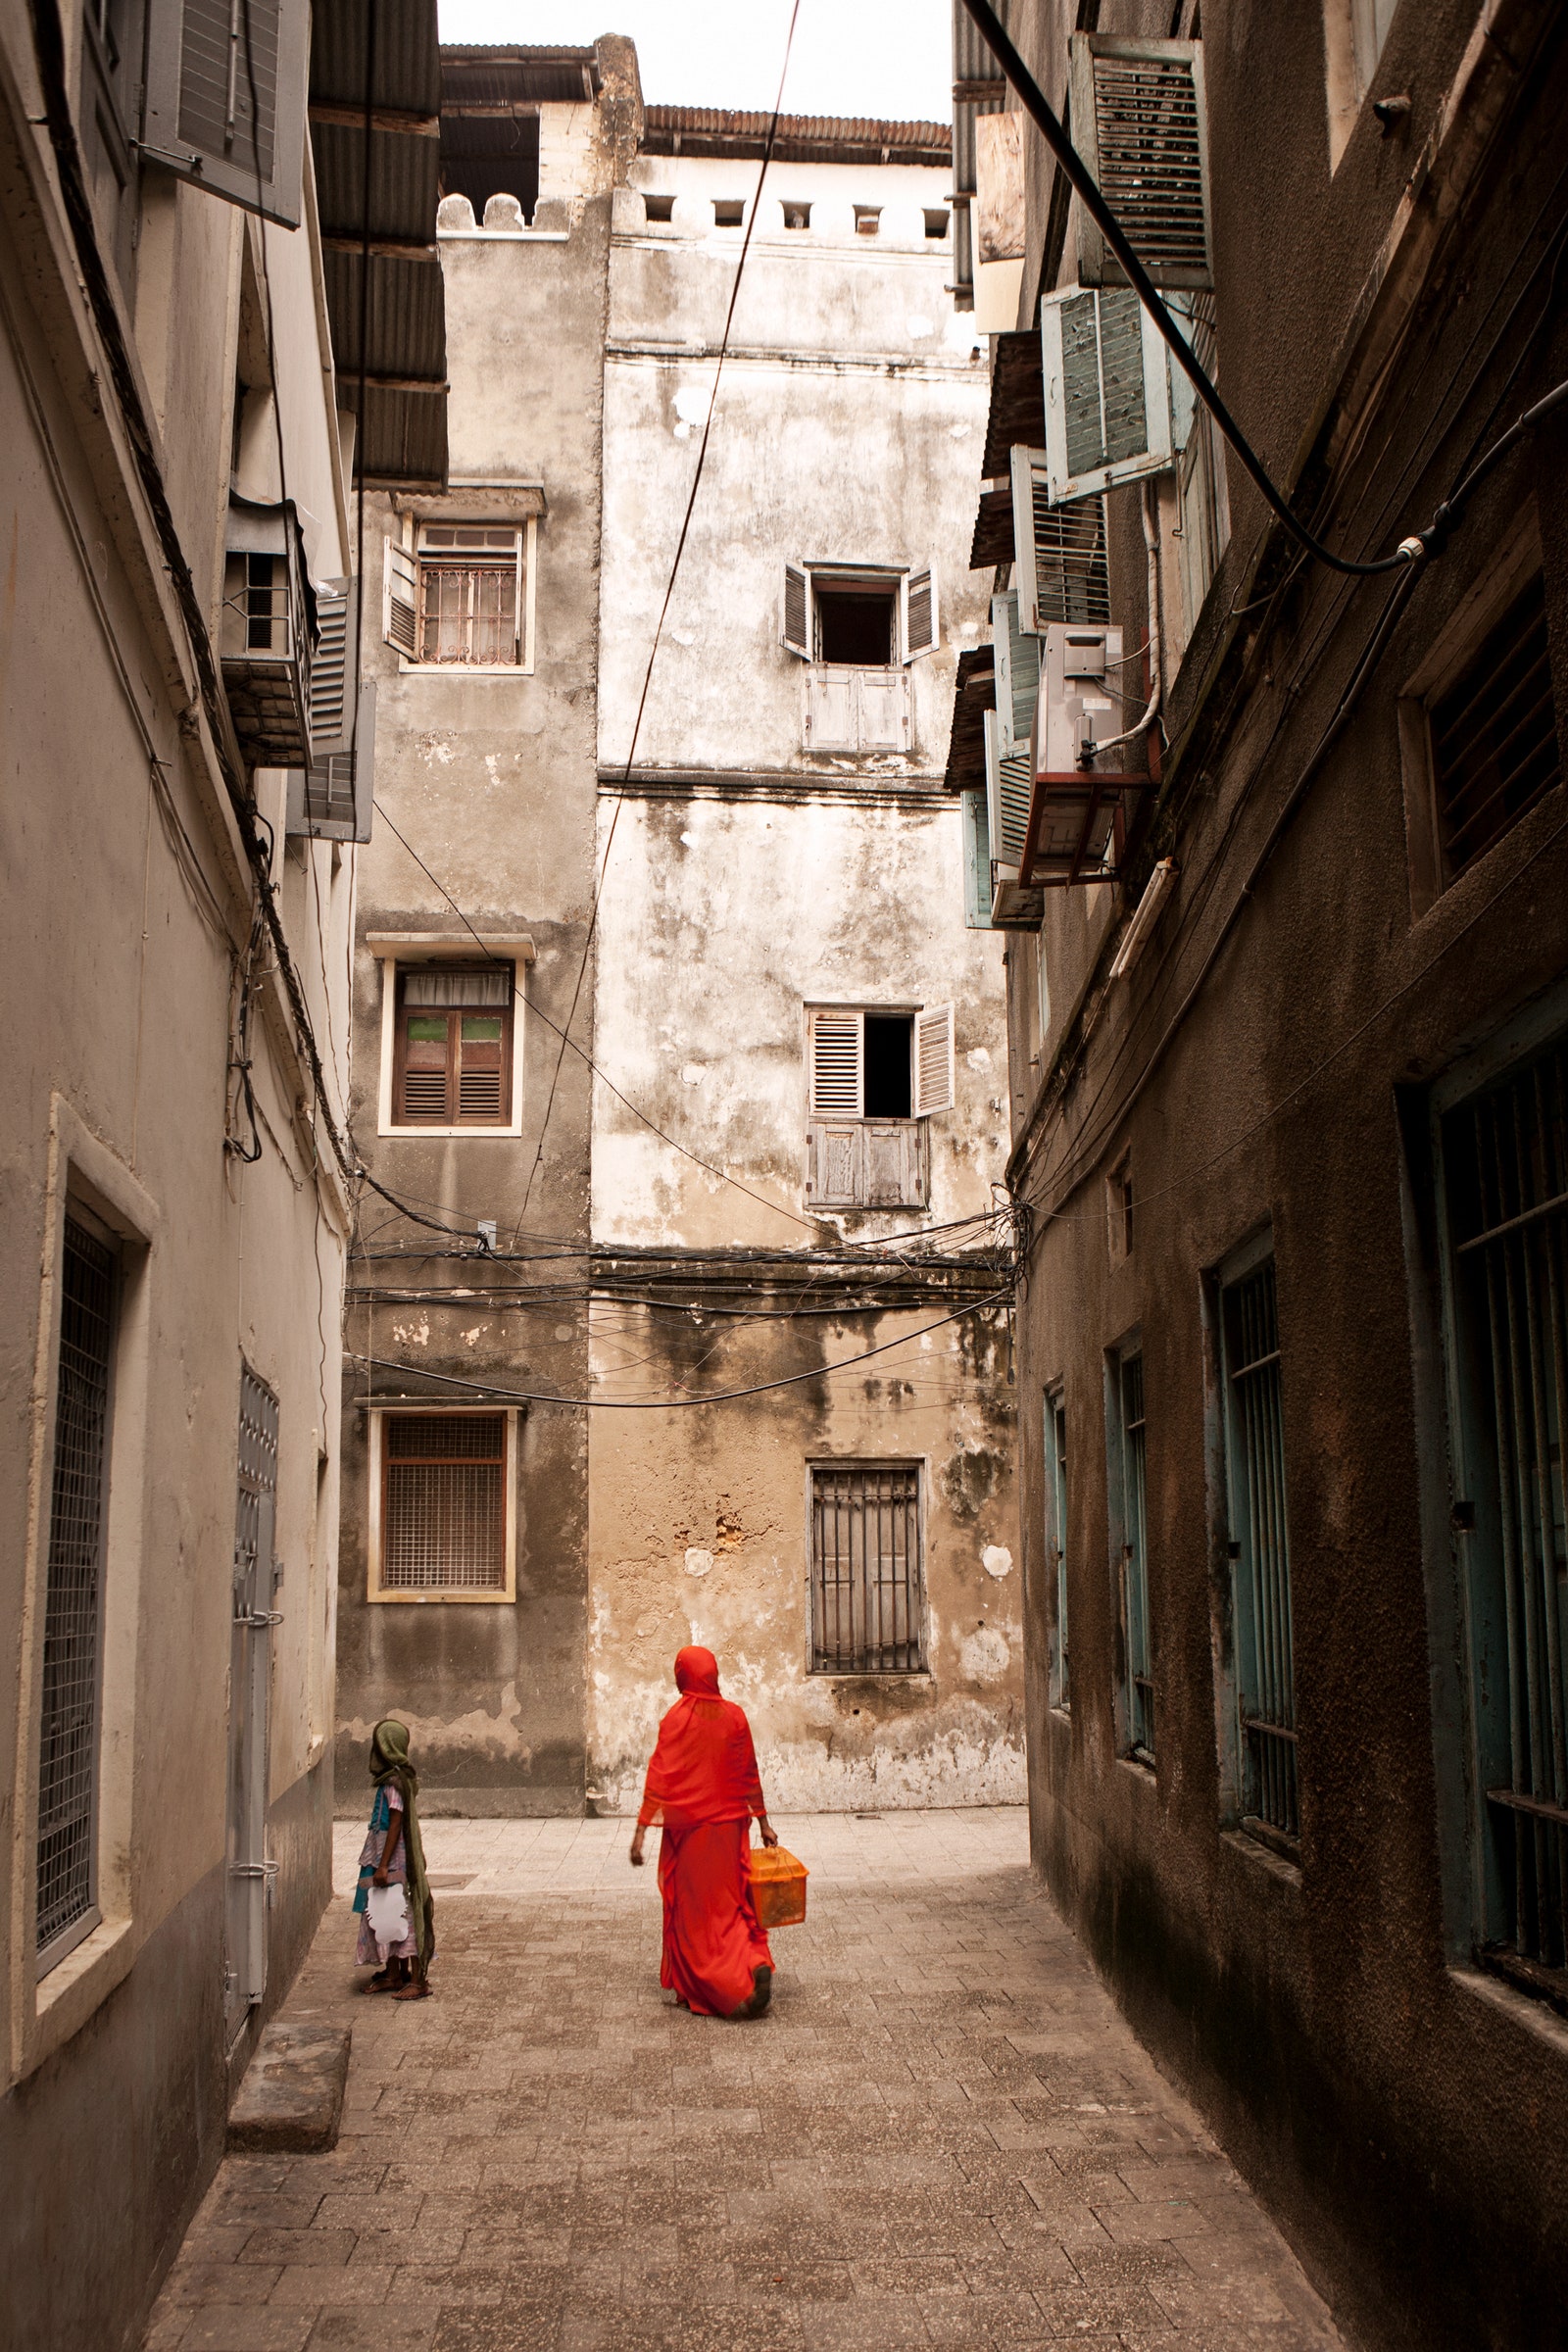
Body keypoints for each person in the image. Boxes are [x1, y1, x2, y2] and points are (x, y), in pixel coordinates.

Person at [629, 1645, 779, 2019]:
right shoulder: (735, 1717)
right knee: (733, 1906)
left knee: (696, 1916)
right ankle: (753, 1961)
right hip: (731, 1833)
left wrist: (641, 1829)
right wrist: (762, 1821)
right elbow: (749, 1773)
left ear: (683, 1674)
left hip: (692, 1835)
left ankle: (725, 1987)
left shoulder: (675, 1720)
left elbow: (660, 1777)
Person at [353, 1717, 434, 1998]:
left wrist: (384, 1864)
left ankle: (418, 1980)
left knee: (404, 1917)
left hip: (395, 1861)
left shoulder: (395, 1784)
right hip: (384, 1858)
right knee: (384, 1915)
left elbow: (396, 1824)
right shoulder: (391, 1781)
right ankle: (393, 1973)